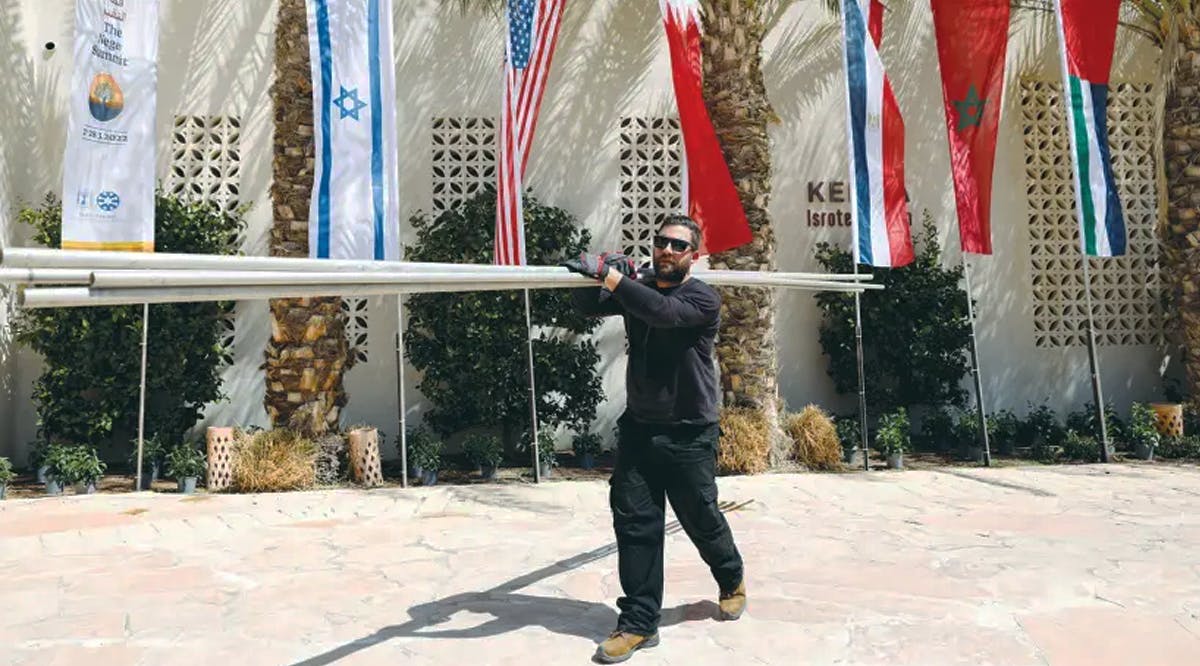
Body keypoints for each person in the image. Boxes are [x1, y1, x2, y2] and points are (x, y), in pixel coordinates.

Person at [563, 214, 746, 664]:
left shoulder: (702, 300)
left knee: (701, 516)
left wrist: (612, 277)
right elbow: (587, 307)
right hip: (641, 429)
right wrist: (589, 276)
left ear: (693, 256)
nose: (666, 250)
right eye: (661, 242)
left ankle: (731, 576)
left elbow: (660, 314)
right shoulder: (638, 288)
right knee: (635, 525)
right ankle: (639, 623)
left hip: (689, 432)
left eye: (677, 245)